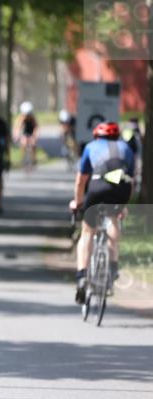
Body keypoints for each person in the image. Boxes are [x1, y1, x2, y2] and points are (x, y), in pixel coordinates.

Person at [69, 121, 135, 303]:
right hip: (120, 187)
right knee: (114, 220)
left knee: (87, 232)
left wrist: (78, 202)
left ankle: (82, 276)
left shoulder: (90, 147)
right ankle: (112, 266)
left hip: (98, 186)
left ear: (97, 135)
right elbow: (131, 180)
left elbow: (81, 181)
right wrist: (125, 205)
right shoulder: (126, 148)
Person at [14, 101, 38, 171]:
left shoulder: (33, 118)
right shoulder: (20, 118)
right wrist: (17, 135)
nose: (27, 116)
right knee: (23, 143)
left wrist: (35, 136)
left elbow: (36, 127)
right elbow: (17, 127)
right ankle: (23, 158)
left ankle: (33, 159)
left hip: (31, 132)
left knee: (33, 144)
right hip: (24, 133)